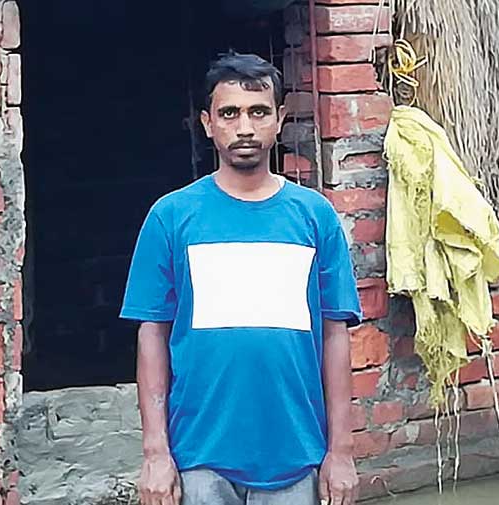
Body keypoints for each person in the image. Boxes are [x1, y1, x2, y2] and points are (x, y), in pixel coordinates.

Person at [121, 51, 362, 505]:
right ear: (208, 123)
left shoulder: (315, 217)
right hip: (199, 456)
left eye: (258, 112)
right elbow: (151, 333)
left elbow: (335, 336)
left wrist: (341, 450)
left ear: (279, 120)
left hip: (297, 455)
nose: (245, 127)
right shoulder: (171, 217)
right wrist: (156, 452)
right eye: (229, 113)